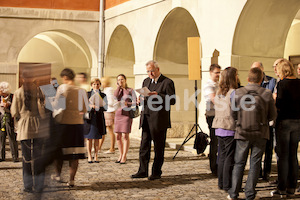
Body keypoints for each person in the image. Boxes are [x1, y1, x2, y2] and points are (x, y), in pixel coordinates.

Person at [228, 67, 277, 200]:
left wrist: (238, 123)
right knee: (255, 162)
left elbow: (232, 114)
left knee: (239, 163)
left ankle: (234, 193)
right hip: (260, 132)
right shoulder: (266, 93)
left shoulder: (238, 93)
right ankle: (250, 193)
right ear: (261, 79)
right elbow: (273, 115)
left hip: (242, 131)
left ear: (248, 79)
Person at [131, 60, 176, 180]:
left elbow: (172, 100)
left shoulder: (167, 82)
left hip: (159, 120)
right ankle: (142, 170)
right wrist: (140, 100)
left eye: (151, 71)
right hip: (146, 117)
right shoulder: (146, 81)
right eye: (148, 71)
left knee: (158, 147)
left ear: (157, 69)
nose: (150, 73)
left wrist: (158, 96)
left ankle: (156, 172)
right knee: (144, 146)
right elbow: (145, 97)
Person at [11, 71, 49, 193]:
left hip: (24, 127)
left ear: (22, 79)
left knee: (26, 159)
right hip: (38, 125)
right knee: (38, 158)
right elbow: (45, 106)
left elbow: (14, 112)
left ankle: (28, 185)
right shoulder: (38, 90)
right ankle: (39, 184)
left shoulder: (18, 92)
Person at [51, 68, 87, 187]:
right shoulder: (81, 90)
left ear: (65, 77)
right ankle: (71, 179)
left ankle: (58, 175)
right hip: (77, 124)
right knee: (75, 153)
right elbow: (84, 109)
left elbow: (58, 105)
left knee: (59, 151)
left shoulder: (63, 88)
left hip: (64, 123)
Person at [270, 59, 300, 198]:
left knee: (283, 156)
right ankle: (292, 186)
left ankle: (282, 187)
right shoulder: (299, 82)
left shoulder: (282, 84)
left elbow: (279, 104)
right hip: (297, 122)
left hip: (284, 121)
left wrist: (274, 99)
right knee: (293, 155)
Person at [212, 67, 238, 192]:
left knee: (222, 156)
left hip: (219, 127)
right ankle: (227, 184)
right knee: (229, 157)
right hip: (229, 127)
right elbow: (236, 111)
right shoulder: (233, 93)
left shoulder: (219, 92)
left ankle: (221, 182)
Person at [251, 62, 276, 181]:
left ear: (262, 69)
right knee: (255, 150)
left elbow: (273, 99)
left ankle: (266, 172)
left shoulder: (271, 81)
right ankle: (257, 172)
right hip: (254, 122)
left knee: (268, 148)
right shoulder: (250, 83)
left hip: (267, 120)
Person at [114, 74, 136, 164]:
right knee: (118, 136)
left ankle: (124, 155)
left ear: (125, 80)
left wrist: (128, 104)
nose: (121, 81)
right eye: (119, 80)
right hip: (118, 114)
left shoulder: (130, 90)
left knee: (125, 135)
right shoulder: (118, 90)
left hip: (126, 114)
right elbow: (115, 97)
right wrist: (118, 88)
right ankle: (120, 154)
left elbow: (135, 102)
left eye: (122, 79)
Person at [203, 64, 221, 175]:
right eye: (216, 73)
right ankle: (213, 166)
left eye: (219, 72)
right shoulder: (209, 85)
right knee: (214, 141)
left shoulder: (219, 84)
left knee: (219, 141)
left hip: (219, 116)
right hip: (212, 116)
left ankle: (219, 164)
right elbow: (214, 99)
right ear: (211, 73)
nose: (218, 75)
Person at [84, 78, 107, 163]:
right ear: (91, 85)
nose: (96, 86)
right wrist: (91, 106)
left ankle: (96, 155)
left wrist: (98, 106)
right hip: (89, 118)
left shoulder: (103, 95)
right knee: (89, 138)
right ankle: (89, 155)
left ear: (100, 85)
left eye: (97, 84)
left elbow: (106, 107)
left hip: (98, 118)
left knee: (97, 138)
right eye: (94, 84)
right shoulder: (87, 94)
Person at [0, 82, 19, 162]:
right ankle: (1, 157)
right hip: (1, 118)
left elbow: (15, 107)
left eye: (0, 89)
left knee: (12, 138)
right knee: (1, 138)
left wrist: (9, 105)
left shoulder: (12, 96)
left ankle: (15, 157)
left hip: (10, 119)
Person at [101, 76, 116, 154]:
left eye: (102, 82)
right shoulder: (106, 90)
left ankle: (112, 148)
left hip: (109, 111)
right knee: (105, 130)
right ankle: (99, 147)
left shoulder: (109, 90)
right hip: (107, 111)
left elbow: (111, 102)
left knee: (110, 131)